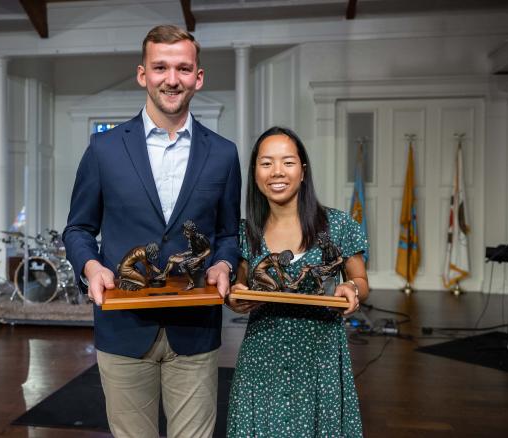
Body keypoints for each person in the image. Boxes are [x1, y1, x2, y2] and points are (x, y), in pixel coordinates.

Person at [62, 25, 241, 438]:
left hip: (196, 328)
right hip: (123, 329)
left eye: (183, 68)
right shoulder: (103, 149)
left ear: (198, 77)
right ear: (143, 74)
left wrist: (224, 264)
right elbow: (79, 228)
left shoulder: (224, 153)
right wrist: (90, 266)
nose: (171, 79)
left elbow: (228, 234)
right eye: (160, 67)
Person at [226, 126, 369, 437]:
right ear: (254, 173)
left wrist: (351, 289)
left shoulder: (338, 225)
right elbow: (238, 287)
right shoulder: (244, 231)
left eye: (288, 162)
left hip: (321, 358)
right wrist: (235, 297)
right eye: (266, 163)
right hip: (263, 359)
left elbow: (359, 279)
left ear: (303, 171)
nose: (277, 172)